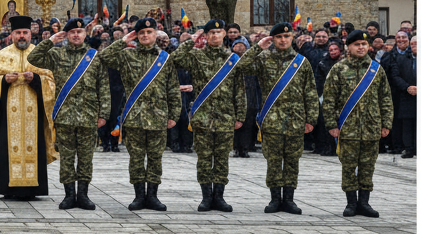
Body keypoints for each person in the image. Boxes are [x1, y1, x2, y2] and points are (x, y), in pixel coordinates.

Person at [234, 22, 319, 214]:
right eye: (279, 37)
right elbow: (241, 67)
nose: (283, 40)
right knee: (273, 161)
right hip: (271, 120)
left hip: (295, 120)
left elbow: (310, 92)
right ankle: (274, 199)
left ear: (292, 38)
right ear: (273, 39)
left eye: (286, 37)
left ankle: (289, 199)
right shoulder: (264, 58)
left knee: (292, 161)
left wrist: (311, 119)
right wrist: (257, 47)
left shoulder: (301, 62)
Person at [99, 17, 181, 211]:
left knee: (155, 158)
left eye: (149, 32)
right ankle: (138, 196)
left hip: (158, 117)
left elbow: (172, 88)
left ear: (155, 34)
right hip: (134, 116)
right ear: (137, 35)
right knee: (136, 158)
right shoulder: (127, 55)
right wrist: (124, 40)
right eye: (141, 33)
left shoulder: (165, 58)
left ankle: (152, 196)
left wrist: (174, 115)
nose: (145, 36)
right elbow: (104, 57)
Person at [27, 18, 109, 210]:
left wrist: (103, 113)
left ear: (85, 35)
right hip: (64, 116)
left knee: (86, 158)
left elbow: (103, 86)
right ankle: (69, 195)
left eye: (79, 32)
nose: (76, 35)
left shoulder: (94, 57)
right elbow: (33, 58)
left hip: (88, 115)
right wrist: (51, 41)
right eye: (71, 32)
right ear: (66, 35)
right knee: (67, 158)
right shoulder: (56, 54)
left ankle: (83, 195)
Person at [169, 19, 246, 211]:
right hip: (203, 116)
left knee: (221, 158)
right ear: (206, 36)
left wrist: (240, 116)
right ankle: (206, 197)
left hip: (226, 116)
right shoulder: (196, 56)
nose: (214, 36)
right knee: (204, 158)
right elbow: (175, 60)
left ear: (224, 35)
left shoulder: (233, 59)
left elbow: (240, 89)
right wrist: (192, 39)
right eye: (210, 33)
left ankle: (219, 197)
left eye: (218, 32)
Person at [0, 15, 56, 201]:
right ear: (11, 35)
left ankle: (33, 189)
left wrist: (37, 80)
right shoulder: (2, 54)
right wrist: (4, 81)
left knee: (34, 144)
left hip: (34, 111)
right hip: (9, 113)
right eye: (18, 33)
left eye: (25, 33)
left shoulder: (39, 54)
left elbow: (51, 81)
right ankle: (8, 187)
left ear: (30, 34)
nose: (22, 36)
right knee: (8, 145)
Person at [321, 29, 394, 217]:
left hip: (371, 127)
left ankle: (365, 203)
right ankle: (351, 203)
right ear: (349, 47)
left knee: (368, 166)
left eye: (363, 44)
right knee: (348, 165)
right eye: (357, 45)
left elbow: (385, 98)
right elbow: (329, 99)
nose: (361, 47)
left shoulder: (376, 69)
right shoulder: (338, 69)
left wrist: (386, 123)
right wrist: (331, 124)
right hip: (347, 127)